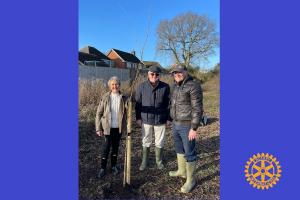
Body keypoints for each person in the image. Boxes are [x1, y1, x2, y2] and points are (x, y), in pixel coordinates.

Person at [169, 65, 203, 193]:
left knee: (189, 152)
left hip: (187, 125)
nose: (177, 74)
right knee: (179, 149)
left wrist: (194, 128)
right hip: (176, 123)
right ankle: (181, 171)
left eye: (180, 72)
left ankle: (191, 180)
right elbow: (172, 104)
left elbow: (197, 108)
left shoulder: (193, 86)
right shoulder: (175, 86)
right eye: (175, 73)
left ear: (185, 72)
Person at [135, 66, 170, 170]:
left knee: (160, 141)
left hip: (160, 119)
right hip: (146, 119)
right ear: (148, 74)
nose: (154, 76)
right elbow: (138, 104)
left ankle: (159, 161)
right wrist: (138, 118)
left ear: (159, 75)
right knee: (146, 140)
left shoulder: (165, 87)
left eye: (156, 74)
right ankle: (144, 162)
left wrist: (169, 118)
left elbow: (169, 104)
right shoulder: (141, 86)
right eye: (152, 74)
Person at [95, 76, 127, 178]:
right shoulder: (105, 97)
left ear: (119, 85)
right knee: (106, 148)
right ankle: (102, 168)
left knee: (115, 149)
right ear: (110, 86)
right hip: (107, 129)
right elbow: (98, 114)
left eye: (116, 84)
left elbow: (128, 113)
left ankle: (113, 166)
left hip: (118, 128)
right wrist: (98, 128)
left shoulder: (124, 98)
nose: (114, 86)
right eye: (112, 84)